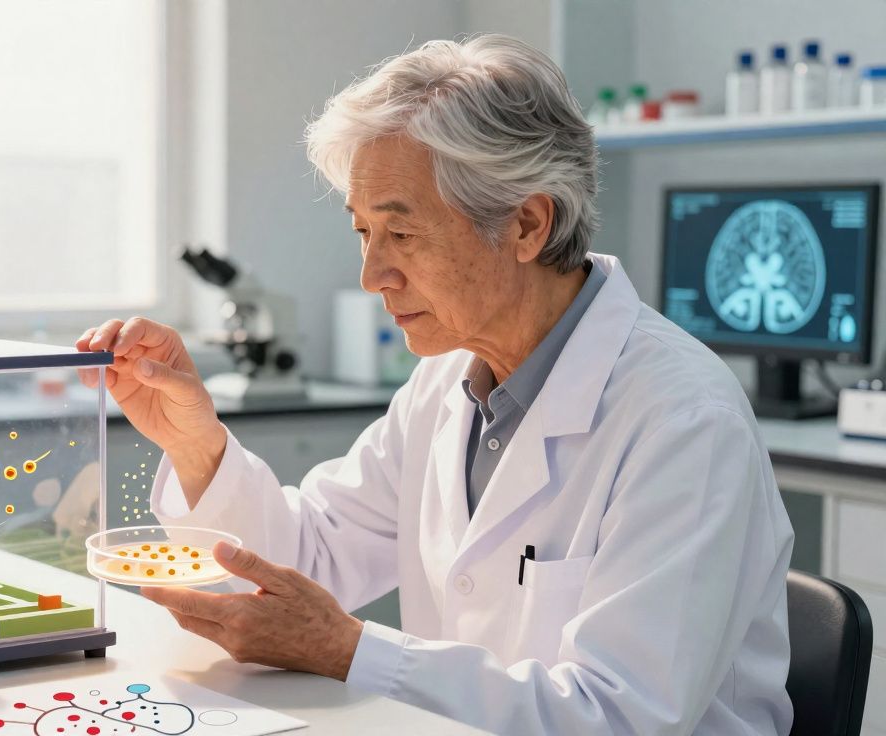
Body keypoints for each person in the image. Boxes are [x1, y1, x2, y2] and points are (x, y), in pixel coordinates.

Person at [77, 34, 794, 735]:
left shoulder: (683, 420)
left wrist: (349, 651)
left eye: (403, 234)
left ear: (526, 224)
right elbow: (310, 560)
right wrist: (197, 442)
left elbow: (619, 715)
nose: (371, 276)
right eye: (363, 233)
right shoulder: (446, 382)